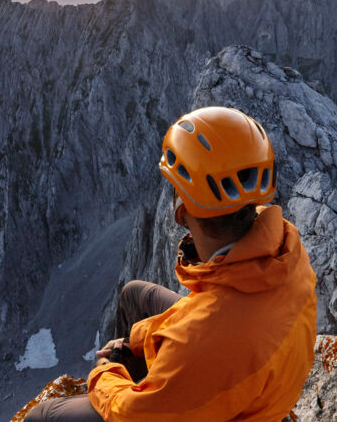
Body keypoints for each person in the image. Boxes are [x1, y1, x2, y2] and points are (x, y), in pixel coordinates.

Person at [25, 106, 317, 421]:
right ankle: (147, 381)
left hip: (207, 396)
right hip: (257, 377)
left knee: (41, 417)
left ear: (182, 209)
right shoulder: (286, 246)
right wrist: (134, 340)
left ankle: (146, 391)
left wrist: (106, 375)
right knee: (134, 295)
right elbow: (204, 313)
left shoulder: (203, 339)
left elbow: (134, 412)